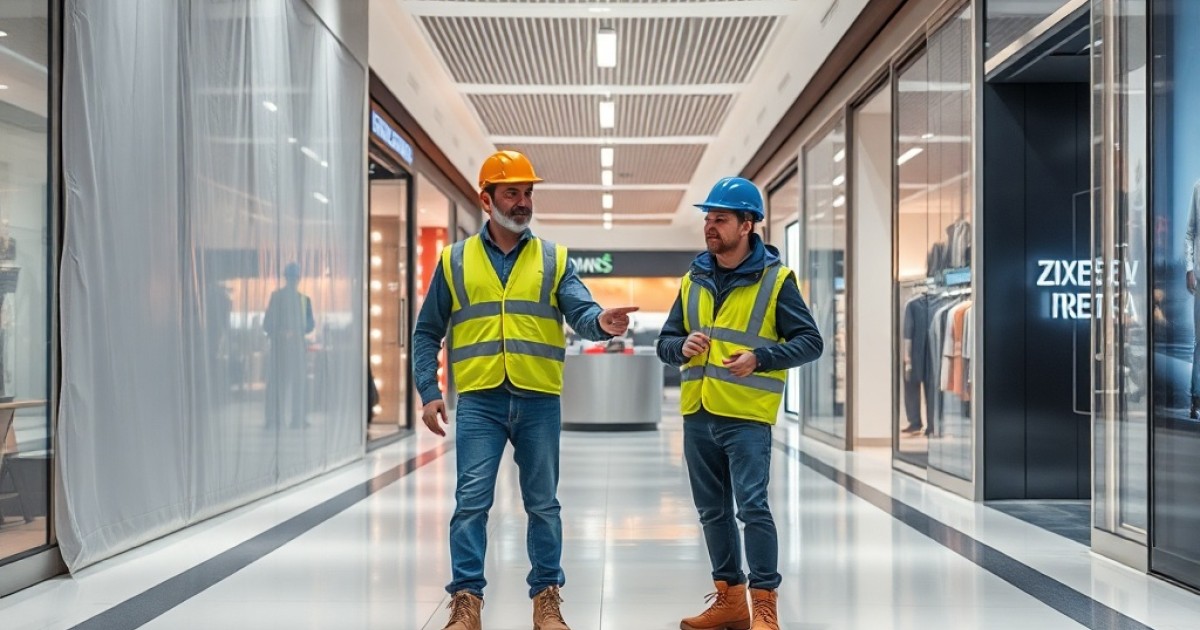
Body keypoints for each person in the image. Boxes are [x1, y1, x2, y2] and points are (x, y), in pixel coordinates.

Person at [413, 150, 638, 630]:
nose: (522, 202)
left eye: (527, 193)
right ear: (487, 198)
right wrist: (428, 389)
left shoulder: (553, 258)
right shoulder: (455, 260)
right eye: (512, 192)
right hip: (479, 400)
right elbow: (426, 330)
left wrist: (601, 322)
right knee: (471, 501)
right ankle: (467, 601)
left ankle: (547, 599)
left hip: (538, 398)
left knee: (543, 503)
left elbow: (581, 312)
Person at [656, 177, 823, 630]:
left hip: (746, 417)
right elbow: (665, 341)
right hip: (697, 412)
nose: (710, 226)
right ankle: (729, 599)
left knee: (751, 508)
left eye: (720, 219)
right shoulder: (693, 278)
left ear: (747, 224)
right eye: (708, 218)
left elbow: (811, 342)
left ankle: (765, 603)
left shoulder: (777, 281)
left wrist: (762, 357)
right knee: (711, 511)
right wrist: (679, 346)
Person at [262, 262, 315, 428]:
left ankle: (283, 419)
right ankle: (285, 419)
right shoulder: (282, 298)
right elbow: (268, 323)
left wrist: (290, 332)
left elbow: (310, 324)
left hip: (289, 347)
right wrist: (287, 333)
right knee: (285, 384)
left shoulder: (302, 300)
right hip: (286, 347)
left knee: (286, 385)